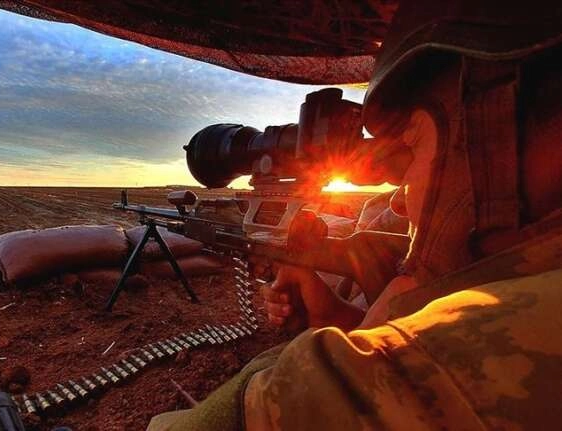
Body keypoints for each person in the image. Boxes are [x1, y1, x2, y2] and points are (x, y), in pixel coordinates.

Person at [147, 1, 562, 429]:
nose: (397, 203)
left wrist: (376, 317)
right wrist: (341, 319)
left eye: (414, 148)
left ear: (495, 132)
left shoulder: (439, 362)